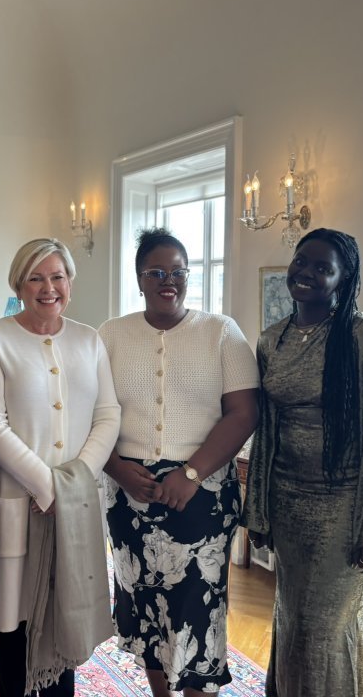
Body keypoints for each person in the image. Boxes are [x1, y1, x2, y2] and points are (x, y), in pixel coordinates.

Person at [242, 228, 363, 697]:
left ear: (344, 278)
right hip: (287, 501)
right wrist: (259, 509)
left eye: (323, 268)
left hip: (343, 505)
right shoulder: (271, 340)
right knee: (294, 619)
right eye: (302, 261)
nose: (307, 273)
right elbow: (266, 429)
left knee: (326, 629)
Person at [99, 227, 259, 697]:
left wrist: (191, 474)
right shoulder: (111, 335)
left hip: (201, 495)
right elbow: (91, 411)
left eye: (178, 271)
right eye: (156, 272)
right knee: (144, 606)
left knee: (198, 611)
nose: (168, 280)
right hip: (130, 494)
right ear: (139, 278)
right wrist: (116, 468)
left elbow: (244, 413)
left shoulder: (220, 332)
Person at [0, 238, 120, 697]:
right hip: (20, 503)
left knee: (68, 612)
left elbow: (108, 415)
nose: (48, 287)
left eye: (57, 277)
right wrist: (48, 488)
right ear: (18, 284)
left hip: (78, 505)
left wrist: (74, 485)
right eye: (35, 278)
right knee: (17, 619)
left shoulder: (89, 340)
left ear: (70, 283)